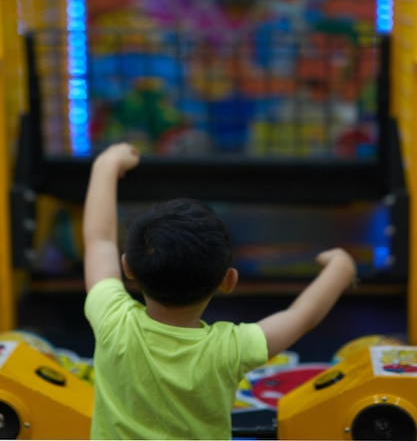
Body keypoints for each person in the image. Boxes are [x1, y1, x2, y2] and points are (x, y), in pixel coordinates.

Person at [83, 142, 357, 441]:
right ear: (229, 281)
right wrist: (340, 269)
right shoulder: (230, 350)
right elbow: (302, 316)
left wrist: (106, 164)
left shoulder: (111, 319)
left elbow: (99, 241)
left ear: (128, 267)